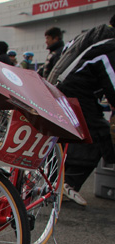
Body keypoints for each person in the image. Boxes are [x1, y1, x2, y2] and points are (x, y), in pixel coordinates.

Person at [56, 17, 115, 206]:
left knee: (63, 136)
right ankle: (68, 183)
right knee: (100, 134)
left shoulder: (89, 35)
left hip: (57, 87)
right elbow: (112, 82)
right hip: (77, 93)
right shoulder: (110, 44)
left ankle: (55, 181)